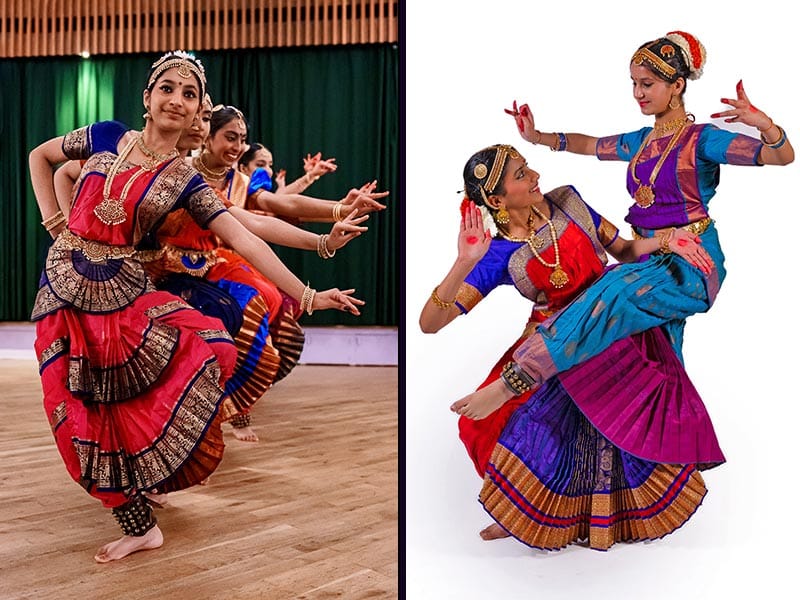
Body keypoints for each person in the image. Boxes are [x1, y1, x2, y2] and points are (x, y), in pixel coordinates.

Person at [28, 50, 364, 563]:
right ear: (147, 97)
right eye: (168, 88)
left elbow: (249, 237)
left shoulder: (186, 182)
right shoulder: (104, 136)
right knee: (69, 405)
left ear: (198, 110)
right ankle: (138, 509)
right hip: (62, 288)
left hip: (122, 296)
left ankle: (140, 522)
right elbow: (42, 158)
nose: (177, 101)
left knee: (124, 402)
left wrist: (310, 288)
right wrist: (56, 225)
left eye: (190, 95)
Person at [452, 30, 794, 420]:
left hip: (690, 261)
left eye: (647, 84)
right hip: (648, 257)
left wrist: (765, 125)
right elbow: (590, 145)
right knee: (658, 361)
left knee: (611, 287)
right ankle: (671, 464)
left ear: (677, 85)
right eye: (634, 83)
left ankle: (516, 380)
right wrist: (537, 137)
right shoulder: (641, 142)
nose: (637, 93)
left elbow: (780, 156)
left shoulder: (703, 141)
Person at [421, 144, 724, 550]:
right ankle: (519, 513)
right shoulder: (496, 255)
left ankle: (607, 519)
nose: (534, 176)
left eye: (528, 167)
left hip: (609, 316)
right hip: (551, 332)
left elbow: (625, 250)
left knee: (604, 424)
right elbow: (429, 324)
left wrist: (668, 240)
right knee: (485, 423)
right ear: (496, 200)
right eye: (521, 174)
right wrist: (464, 261)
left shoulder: (567, 201)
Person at [145, 101, 370, 442]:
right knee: (248, 305)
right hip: (162, 268)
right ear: (205, 135)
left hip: (217, 262)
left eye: (242, 140)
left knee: (261, 314)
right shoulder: (175, 169)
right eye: (228, 136)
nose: (236, 147)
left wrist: (335, 220)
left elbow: (271, 211)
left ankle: (227, 409)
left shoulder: (237, 183)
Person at [238, 142, 337, 197]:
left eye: (270, 165)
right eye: (260, 165)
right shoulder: (236, 195)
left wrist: (311, 175)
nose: (268, 171)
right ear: (243, 168)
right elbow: (278, 200)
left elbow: (278, 199)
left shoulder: (261, 194)